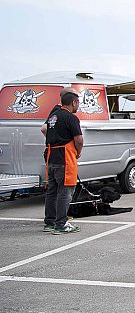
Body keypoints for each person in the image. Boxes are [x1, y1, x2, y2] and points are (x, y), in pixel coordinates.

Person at [42, 87, 84, 234]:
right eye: (78, 103)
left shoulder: (53, 116)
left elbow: (44, 130)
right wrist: (78, 152)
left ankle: (49, 222)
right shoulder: (71, 118)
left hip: (51, 156)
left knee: (52, 191)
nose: (78, 106)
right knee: (65, 192)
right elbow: (79, 140)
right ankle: (61, 224)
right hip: (65, 157)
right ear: (73, 102)